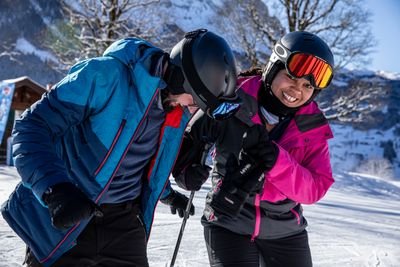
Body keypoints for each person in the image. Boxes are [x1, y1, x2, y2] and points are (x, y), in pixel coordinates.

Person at [0, 29, 241, 267]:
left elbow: (134, 162)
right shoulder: (105, 76)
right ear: (181, 78)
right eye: (195, 101)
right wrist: (55, 190)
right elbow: (30, 127)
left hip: (124, 223)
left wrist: (167, 194)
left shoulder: (174, 111)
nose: (192, 110)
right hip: (70, 211)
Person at [171, 31, 335, 267]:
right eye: (290, 77)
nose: (296, 89)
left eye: (307, 85)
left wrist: (278, 162)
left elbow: (316, 187)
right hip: (228, 221)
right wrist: (186, 170)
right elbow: (189, 140)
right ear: (272, 68)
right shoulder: (231, 99)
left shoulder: (312, 127)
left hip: (285, 230)